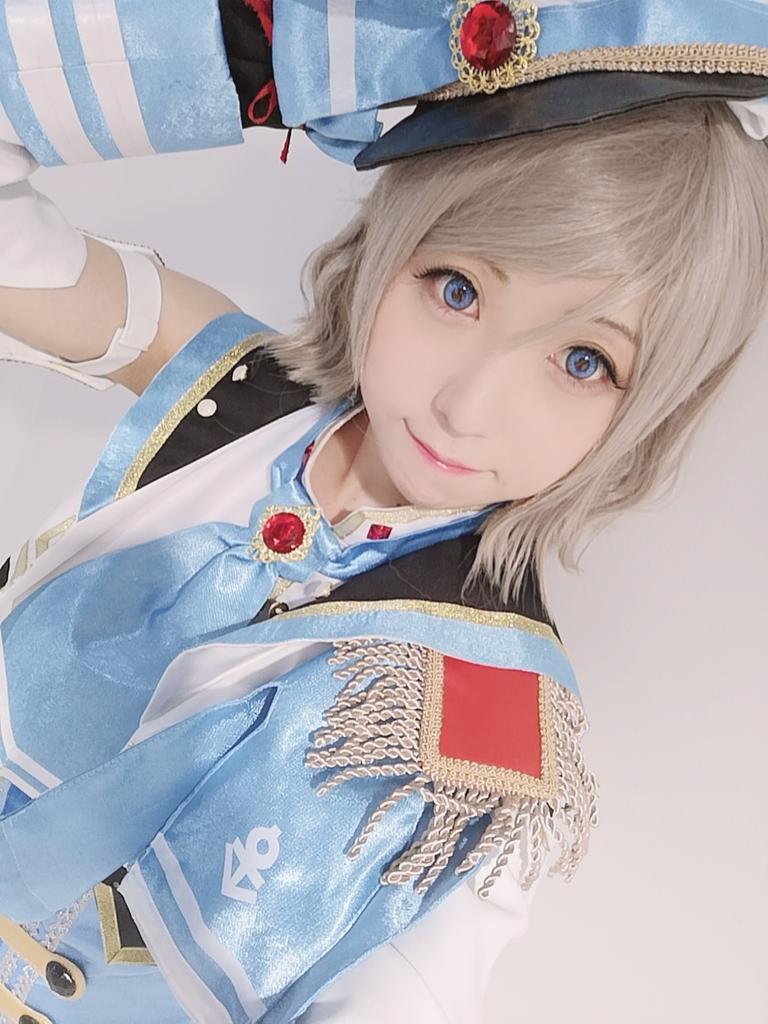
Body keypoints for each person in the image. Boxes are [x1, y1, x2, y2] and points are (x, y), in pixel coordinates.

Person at [0, 2, 766, 1023]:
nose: (465, 405)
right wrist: (264, 53)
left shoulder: (491, 740)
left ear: (651, 408)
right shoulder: (226, 395)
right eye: (458, 290)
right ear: (390, 245)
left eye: (583, 361)